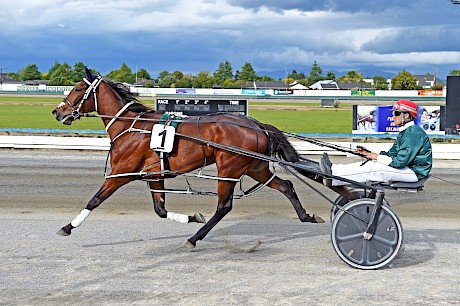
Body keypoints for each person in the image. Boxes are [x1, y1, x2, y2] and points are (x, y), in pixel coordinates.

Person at [320, 99, 432, 186]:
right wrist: (369, 154)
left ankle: (334, 178)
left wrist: (376, 157)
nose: (393, 117)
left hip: (415, 173)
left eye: (396, 113)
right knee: (370, 163)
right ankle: (335, 169)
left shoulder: (412, 134)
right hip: (409, 168)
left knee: (374, 169)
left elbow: (399, 162)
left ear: (406, 115)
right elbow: (392, 155)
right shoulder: (406, 132)